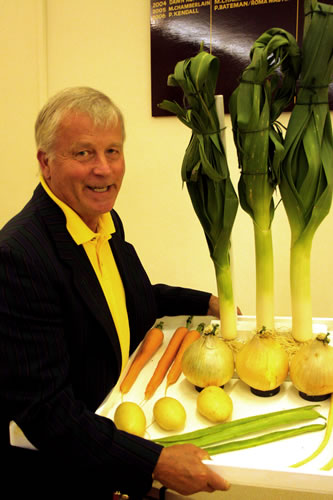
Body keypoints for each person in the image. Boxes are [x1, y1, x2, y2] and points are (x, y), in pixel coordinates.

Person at [0, 87, 230, 498]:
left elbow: (126, 296)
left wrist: (207, 303)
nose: (104, 169)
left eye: (113, 151)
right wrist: (155, 462)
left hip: (112, 432)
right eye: (84, 153)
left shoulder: (103, 220)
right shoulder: (18, 257)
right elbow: (46, 411)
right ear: (45, 163)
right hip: (59, 471)